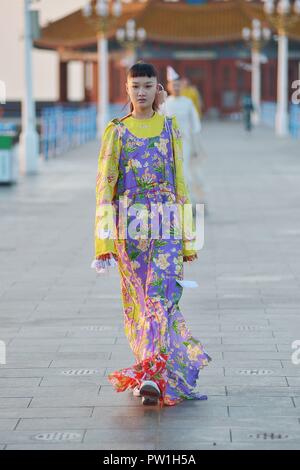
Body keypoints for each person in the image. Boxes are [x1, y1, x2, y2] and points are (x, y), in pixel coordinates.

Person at [91, 62, 212, 407]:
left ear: (158, 88)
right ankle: (152, 371)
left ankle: (151, 375)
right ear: (127, 89)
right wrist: (103, 240)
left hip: (166, 224)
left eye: (147, 85)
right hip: (129, 229)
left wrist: (188, 236)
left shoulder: (169, 127)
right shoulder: (116, 131)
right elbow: (105, 185)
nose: (141, 92)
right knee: (139, 304)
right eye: (135, 86)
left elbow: (180, 181)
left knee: (162, 298)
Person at [160, 67, 202, 205]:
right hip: (169, 143)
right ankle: (175, 201)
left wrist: (196, 146)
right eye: (173, 85)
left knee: (184, 171)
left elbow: (195, 124)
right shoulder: (165, 105)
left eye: (178, 85)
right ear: (169, 86)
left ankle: (188, 200)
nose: (176, 87)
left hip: (185, 142)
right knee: (172, 172)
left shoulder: (188, 103)